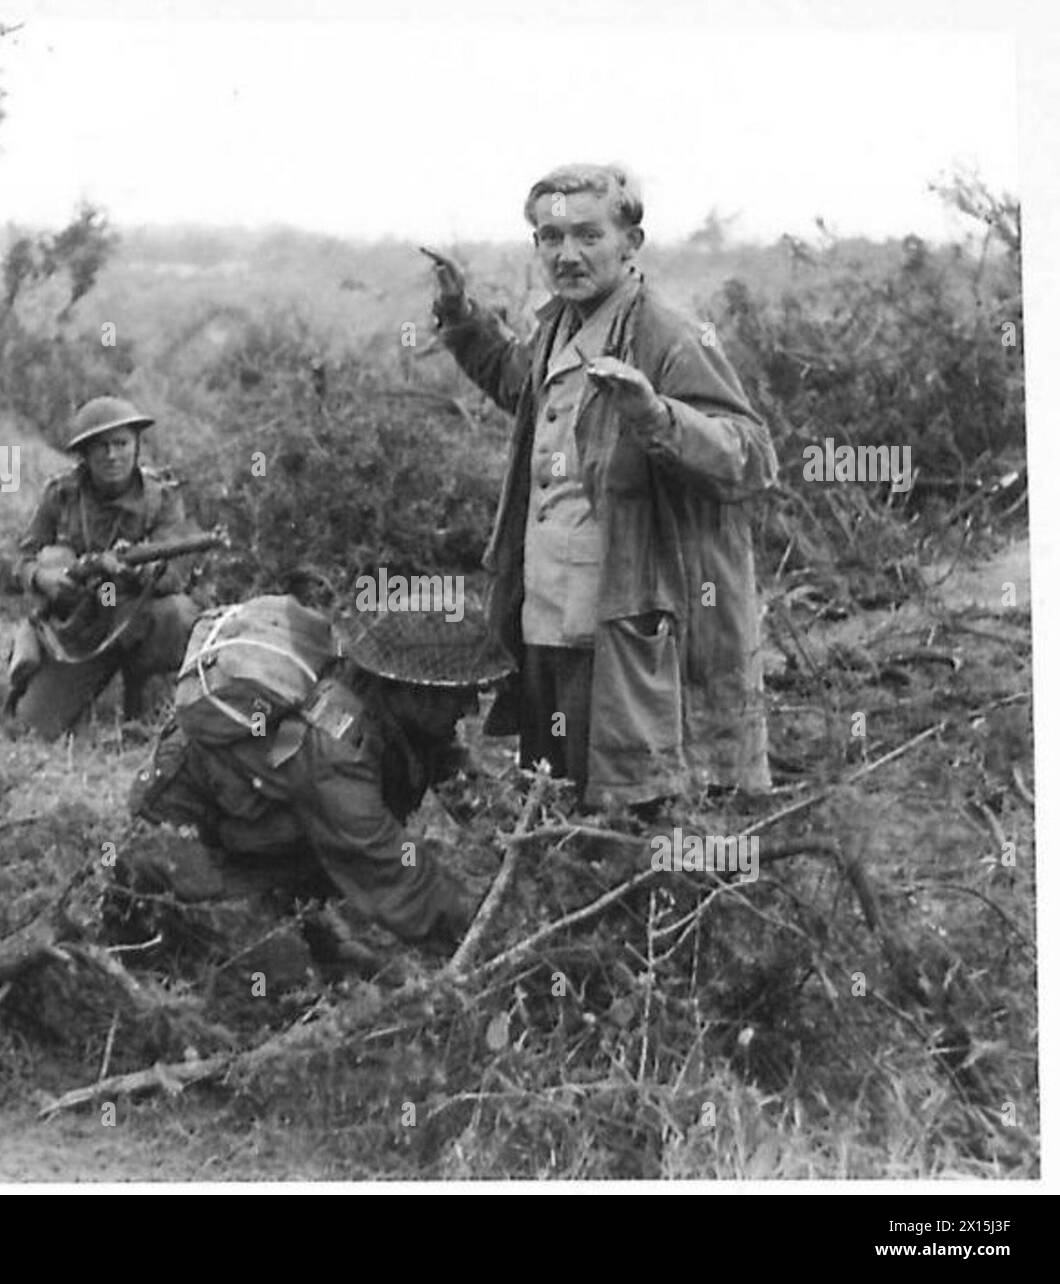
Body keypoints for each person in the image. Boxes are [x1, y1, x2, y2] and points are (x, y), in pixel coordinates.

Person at [428, 163, 778, 812]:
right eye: (550, 238)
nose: (567, 254)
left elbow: (751, 457)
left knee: (632, 800)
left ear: (630, 244)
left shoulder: (668, 334)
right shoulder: (559, 324)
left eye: (587, 235)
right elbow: (522, 386)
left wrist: (657, 417)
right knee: (553, 794)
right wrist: (463, 318)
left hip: (623, 609)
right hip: (546, 608)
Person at [121, 597, 515, 955]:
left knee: (340, 958)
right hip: (181, 836)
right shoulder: (337, 746)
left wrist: (523, 844)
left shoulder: (400, 714)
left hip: (254, 832)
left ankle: (285, 911)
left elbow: (466, 789)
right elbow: (387, 869)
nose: (469, 709)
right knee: (279, 978)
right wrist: (491, 934)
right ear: (409, 688)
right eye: (458, 695)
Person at [7, 395, 202, 738]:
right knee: (32, 728)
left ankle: (143, 695)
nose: (112, 456)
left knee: (178, 613)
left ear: (137, 445)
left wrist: (135, 569)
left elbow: (173, 576)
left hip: (136, 616)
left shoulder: (161, 498)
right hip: (80, 628)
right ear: (85, 454)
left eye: (121, 443)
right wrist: (43, 577)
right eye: (101, 448)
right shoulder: (62, 495)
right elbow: (23, 559)